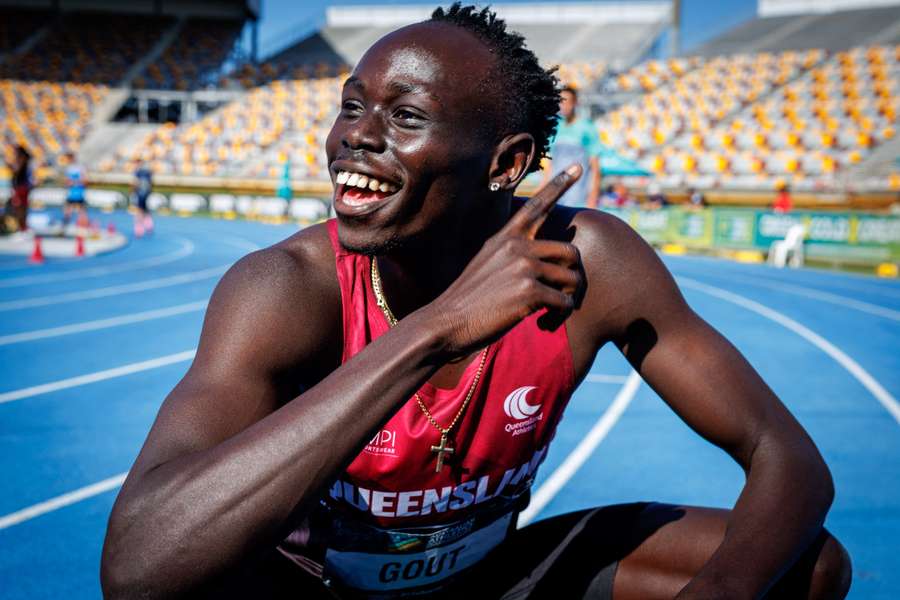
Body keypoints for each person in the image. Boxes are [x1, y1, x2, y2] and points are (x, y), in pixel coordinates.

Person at [101, 5, 851, 599]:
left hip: (488, 580)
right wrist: (438, 329)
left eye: (404, 117)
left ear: (507, 163)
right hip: (314, 586)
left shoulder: (589, 261)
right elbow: (137, 566)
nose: (355, 137)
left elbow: (786, 457)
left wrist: (721, 593)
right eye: (351, 107)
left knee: (808, 566)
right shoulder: (285, 287)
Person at [542, 86, 601, 208]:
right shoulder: (555, 126)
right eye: (561, 101)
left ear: (575, 103)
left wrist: (593, 197)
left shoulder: (587, 128)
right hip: (554, 193)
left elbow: (595, 167)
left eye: (568, 102)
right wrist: (543, 187)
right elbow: (550, 163)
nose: (564, 106)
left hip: (577, 195)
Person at [7, 145, 32, 233]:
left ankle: (22, 228)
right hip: (21, 187)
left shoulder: (21, 159)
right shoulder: (23, 159)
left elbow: (17, 170)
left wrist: (10, 166)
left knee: (20, 208)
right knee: (21, 208)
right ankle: (23, 228)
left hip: (21, 187)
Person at [62, 152, 88, 227]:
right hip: (71, 193)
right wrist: (69, 183)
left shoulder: (80, 168)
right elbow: (66, 182)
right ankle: (65, 226)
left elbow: (85, 181)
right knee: (67, 210)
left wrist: (74, 182)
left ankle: (84, 226)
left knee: (81, 211)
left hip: (79, 193)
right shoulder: (68, 168)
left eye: (68, 159)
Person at [131, 162, 154, 237]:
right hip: (146, 193)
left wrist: (133, 191)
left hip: (140, 194)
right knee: (146, 210)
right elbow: (151, 183)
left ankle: (139, 230)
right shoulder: (148, 172)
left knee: (139, 212)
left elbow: (135, 183)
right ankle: (149, 226)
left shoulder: (138, 172)